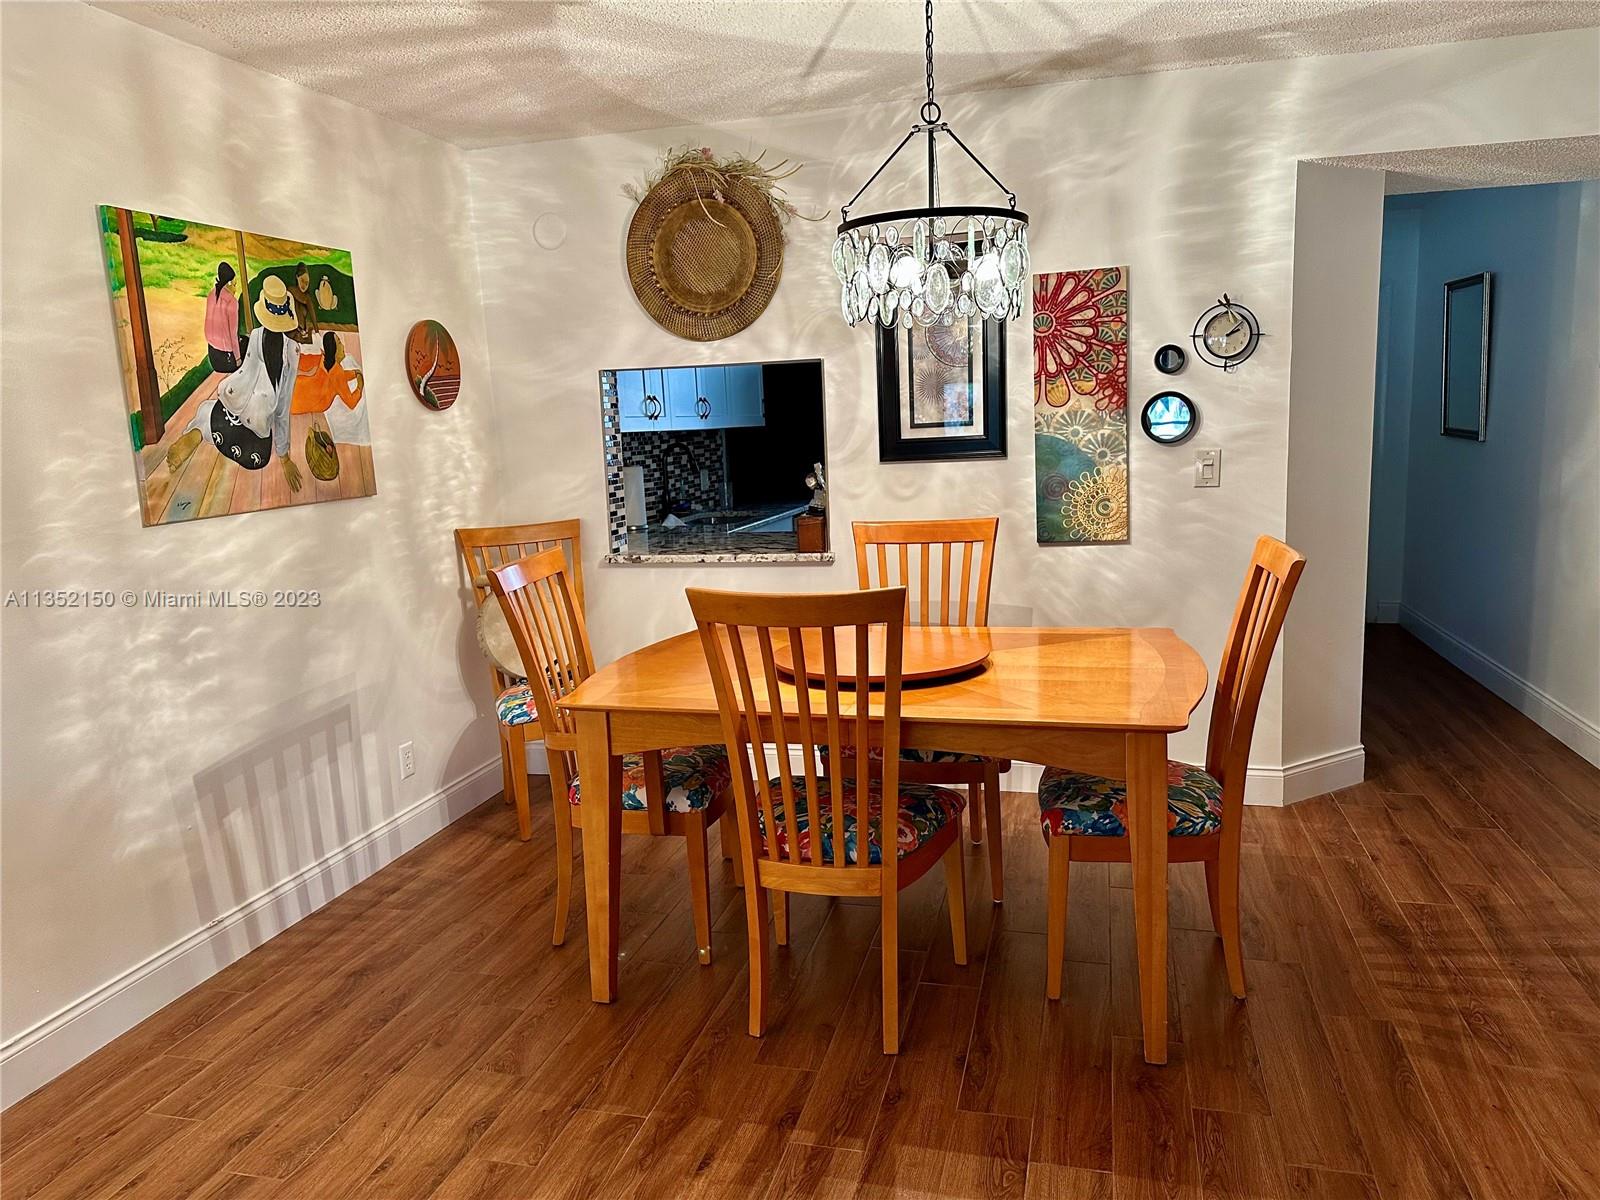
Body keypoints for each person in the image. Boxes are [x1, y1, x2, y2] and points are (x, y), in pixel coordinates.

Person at [202, 261, 241, 373]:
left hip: (213, 357)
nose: (235, 288)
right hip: (227, 361)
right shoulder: (232, 302)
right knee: (246, 343)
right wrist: (238, 359)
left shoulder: (211, 295)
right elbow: (233, 335)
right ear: (228, 283)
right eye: (234, 284)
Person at [286, 262, 320, 344]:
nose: (304, 285)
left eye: (306, 283)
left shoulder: (307, 298)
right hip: (290, 332)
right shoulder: (289, 291)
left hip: (302, 334)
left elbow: (313, 317)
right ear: (297, 277)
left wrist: (317, 333)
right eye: (302, 281)